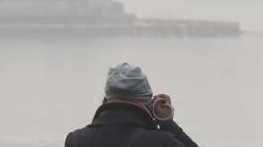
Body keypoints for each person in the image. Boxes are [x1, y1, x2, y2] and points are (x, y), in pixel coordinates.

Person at [65, 62, 199, 147]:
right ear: (147, 102)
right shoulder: (161, 142)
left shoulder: (76, 140)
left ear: (106, 99)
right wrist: (167, 123)